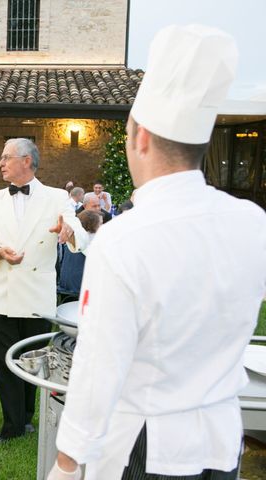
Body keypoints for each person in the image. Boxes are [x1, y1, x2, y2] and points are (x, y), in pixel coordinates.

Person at [51, 25, 266, 480]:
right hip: (221, 438)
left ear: (141, 137)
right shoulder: (253, 222)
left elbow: (99, 366)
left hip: (148, 445)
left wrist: (67, 464)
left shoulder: (124, 238)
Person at [0, 137, 88, 446]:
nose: (1, 163)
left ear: (27, 161)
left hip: (37, 295)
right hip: (2, 295)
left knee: (33, 358)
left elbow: (77, 230)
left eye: (7, 157)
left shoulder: (56, 197)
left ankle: (25, 417)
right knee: (5, 363)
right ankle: (13, 425)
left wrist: (69, 231)